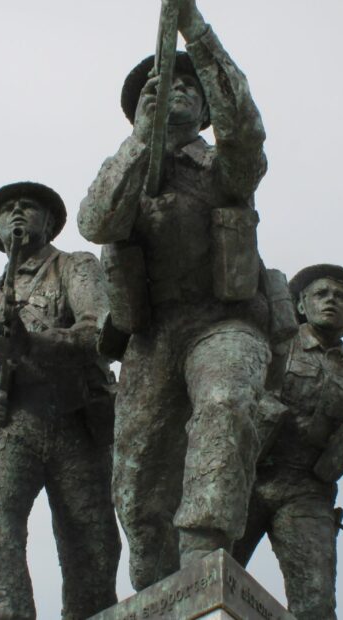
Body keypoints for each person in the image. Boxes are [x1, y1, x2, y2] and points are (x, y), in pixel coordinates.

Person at [78, 0, 272, 590]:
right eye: (162, 88)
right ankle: (158, 585)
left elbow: (246, 127)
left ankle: (206, 552)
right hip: (152, 336)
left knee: (225, 404)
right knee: (136, 491)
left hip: (222, 324)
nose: (176, 91)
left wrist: (196, 31)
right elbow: (97, 223)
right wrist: (142, 141)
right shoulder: (126, 168)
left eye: (191, 87)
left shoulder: (225, 166)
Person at [0, 182, 120, 620]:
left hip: (76, 423)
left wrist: (30, 344)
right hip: (12, 426)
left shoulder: (75, 267)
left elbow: (96, 332)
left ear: (49, 221)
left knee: (91, 544)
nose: (18, 213)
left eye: (28, 207)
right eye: (8, 210)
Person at [232, 264, 343, 620]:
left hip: (308, 492)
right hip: (248, 476)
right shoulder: (277, 341)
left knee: (316, 605)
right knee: (206, 574)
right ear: (301, 305)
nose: (331, 301)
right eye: (322, 294)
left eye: (340, 298)